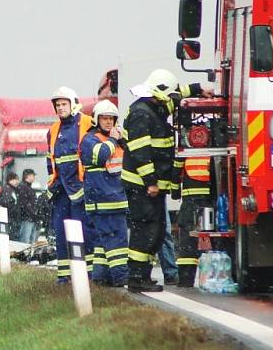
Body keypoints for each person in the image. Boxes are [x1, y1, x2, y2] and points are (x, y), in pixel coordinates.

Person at [121, 69, 210, 292]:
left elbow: (176, 94)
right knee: (145, 231)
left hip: (152, 187)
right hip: (142, 186)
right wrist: (150, 182)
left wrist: (199, 89)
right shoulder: (142, 114)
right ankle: (136, 279)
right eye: (169, 97)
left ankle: (143, 275)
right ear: (159, 93)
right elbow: (141, 153)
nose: (173, 101)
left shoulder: (156, 106)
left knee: (157, 231)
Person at [46, 86, 94, 282]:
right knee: (61, 233)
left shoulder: (88, 123)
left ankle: (88, 274)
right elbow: (50, 160)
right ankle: (65, 277)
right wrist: (52, 183)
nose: (60, 108)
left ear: (73, 103)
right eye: (57, 105)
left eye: (64, 104)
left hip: (82, 188)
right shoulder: (53, 130)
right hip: (61, 191)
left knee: (85, 232)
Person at [79, 99, 129, 287]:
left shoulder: (116, 140)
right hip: (103, 203)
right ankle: (121, 278)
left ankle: (100, 278)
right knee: (117, 243)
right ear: (96, 120)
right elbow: (99, 156)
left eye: (111, 118)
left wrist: (122, 141)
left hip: (115, 200)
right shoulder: (89, 140)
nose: (108, 122)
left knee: (103, 244)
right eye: (104, 118)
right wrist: (114, 140)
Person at [173, 156, 214, 287]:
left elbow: (176, 170)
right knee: (217, 237)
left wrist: (175, 192)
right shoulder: (213, 148)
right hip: (214, 195)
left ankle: (186, 280)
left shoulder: (188, 146)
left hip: (191, 198)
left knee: (188, 240)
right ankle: (218, 277)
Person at [16, 169, 38, 243]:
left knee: (30, 242)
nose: (34, 177)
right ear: (28, 176)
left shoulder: (28, 187)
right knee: (25, 242)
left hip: (31, 218)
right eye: (33, 175)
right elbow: (24, 204)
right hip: (26, 219)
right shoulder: (23, 187)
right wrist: (33, 214)